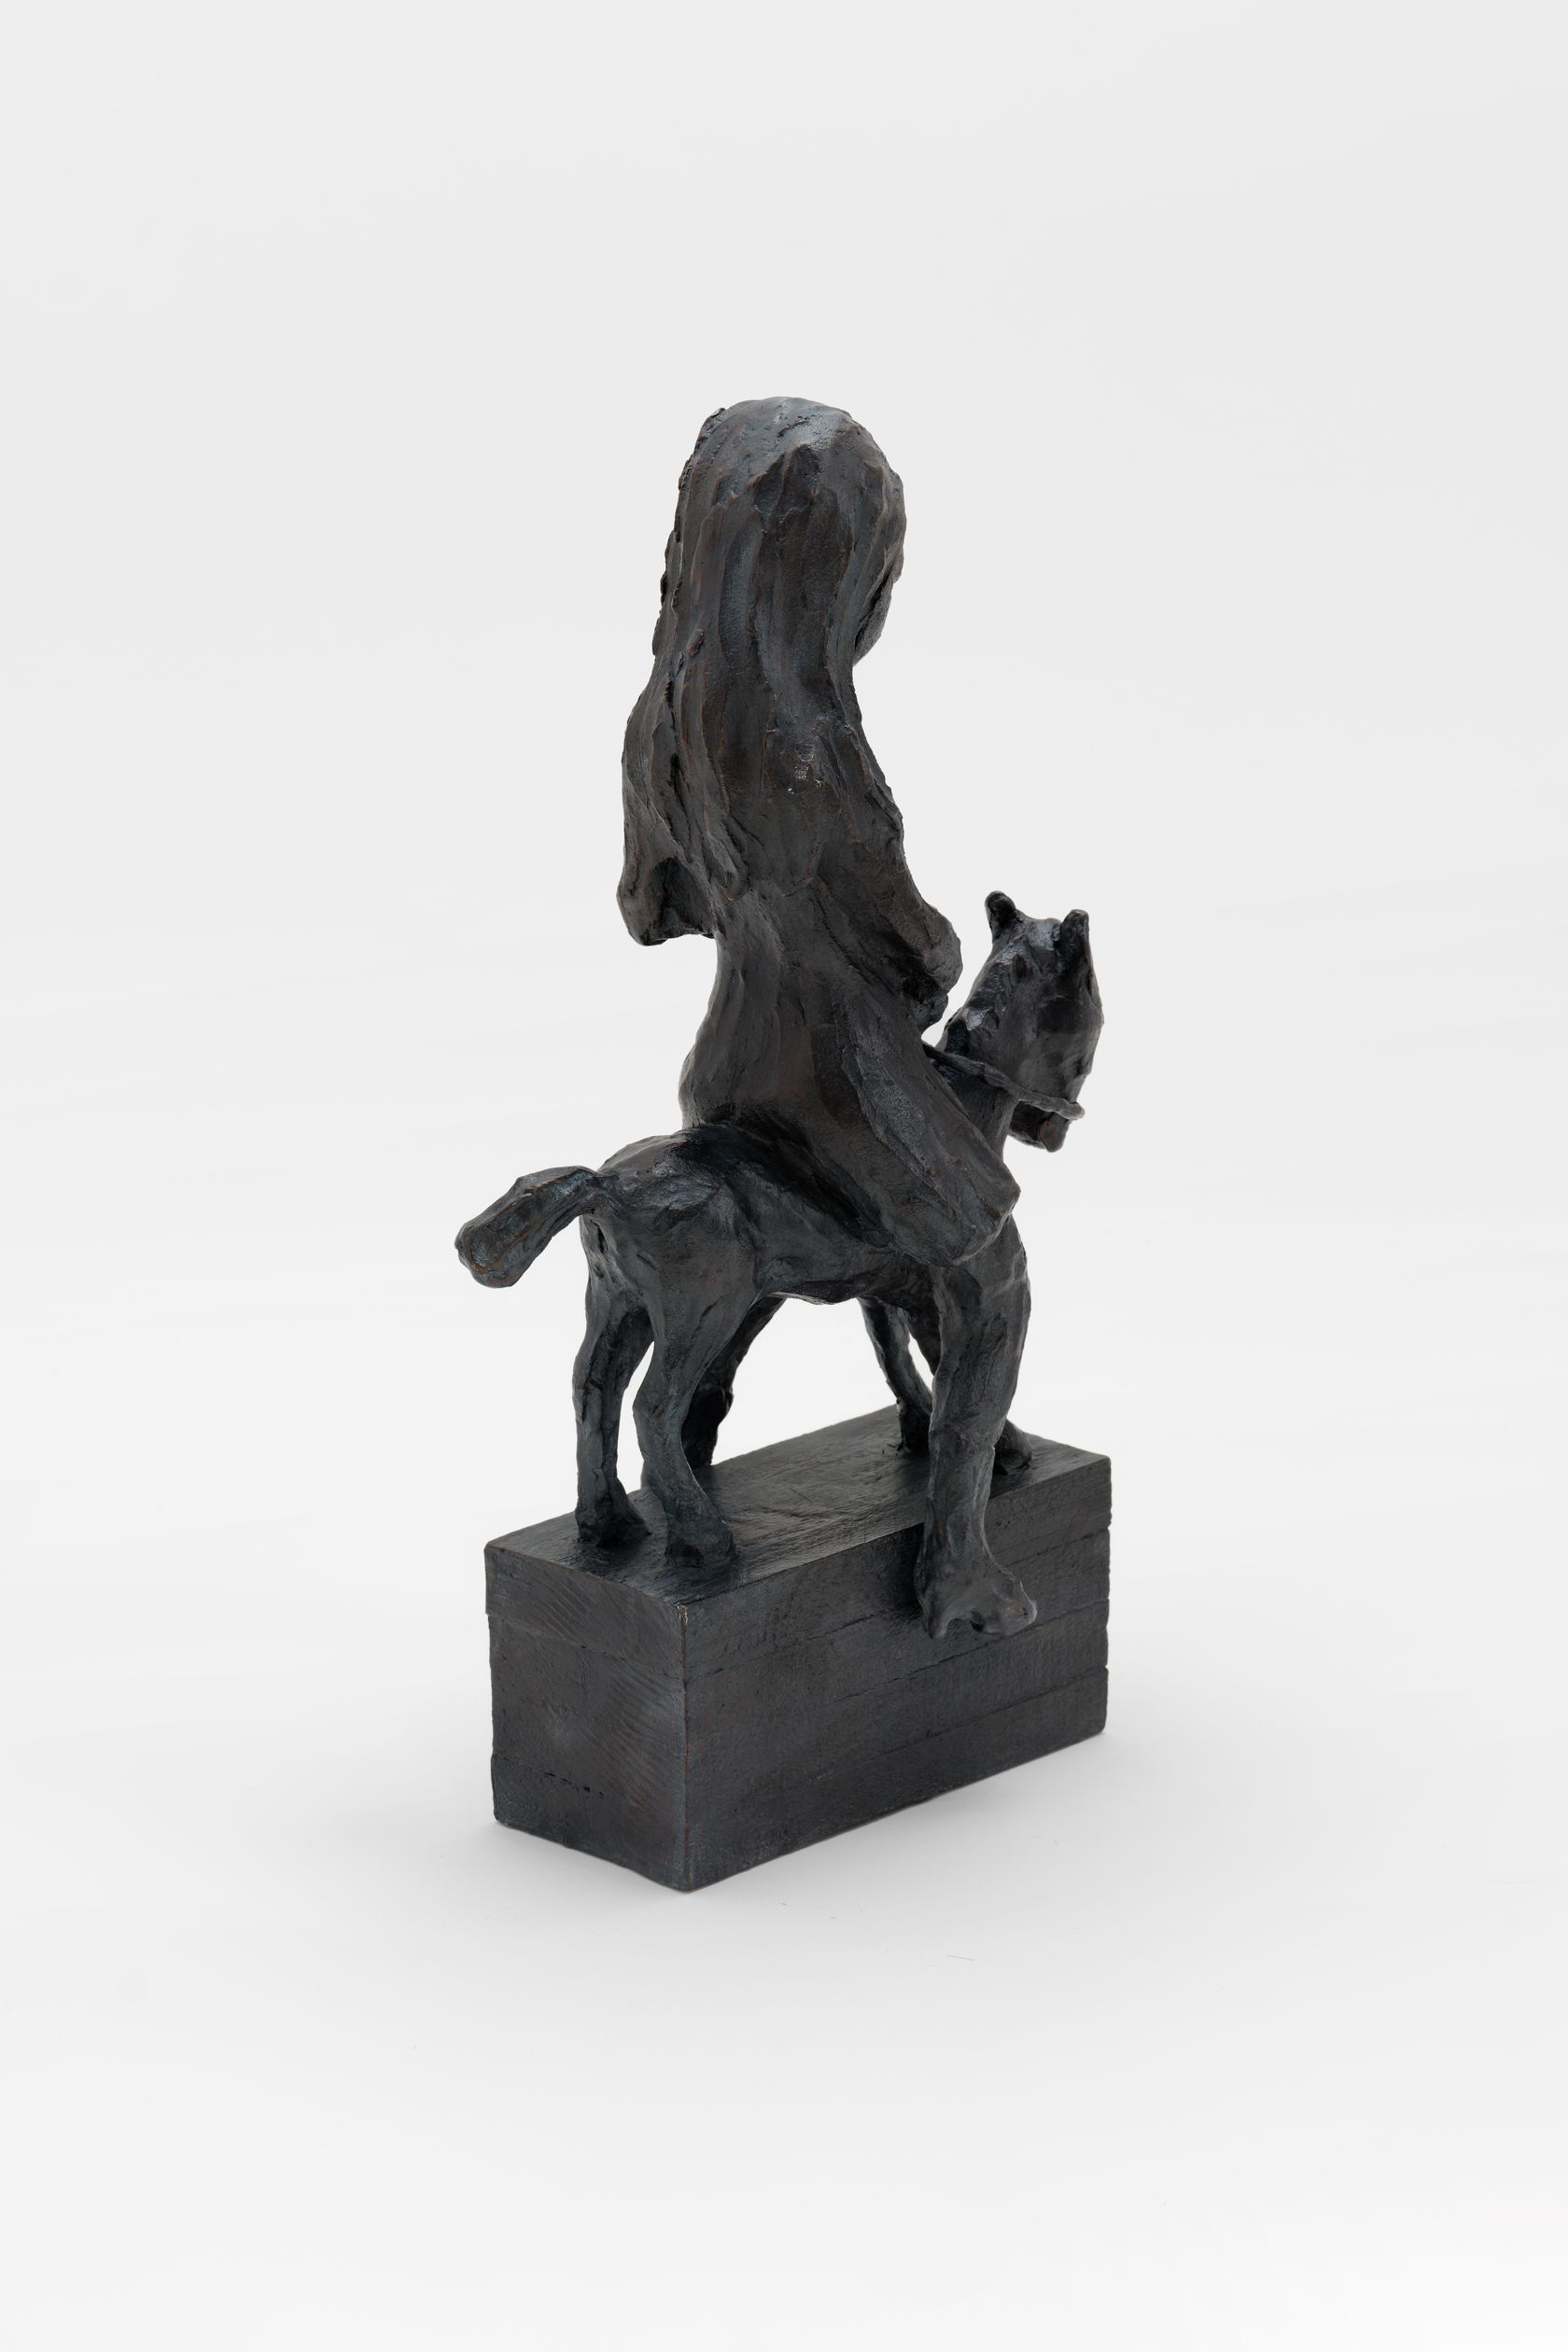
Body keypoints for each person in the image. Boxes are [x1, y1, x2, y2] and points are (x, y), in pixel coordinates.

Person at [619, 398, 1017, 1267]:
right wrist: (942, 950)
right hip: (841, 1084)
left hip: (727, 1063)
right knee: (984, 1250)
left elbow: (649, 911)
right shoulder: (808, 751)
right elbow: (899, 935)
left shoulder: (662, 731)